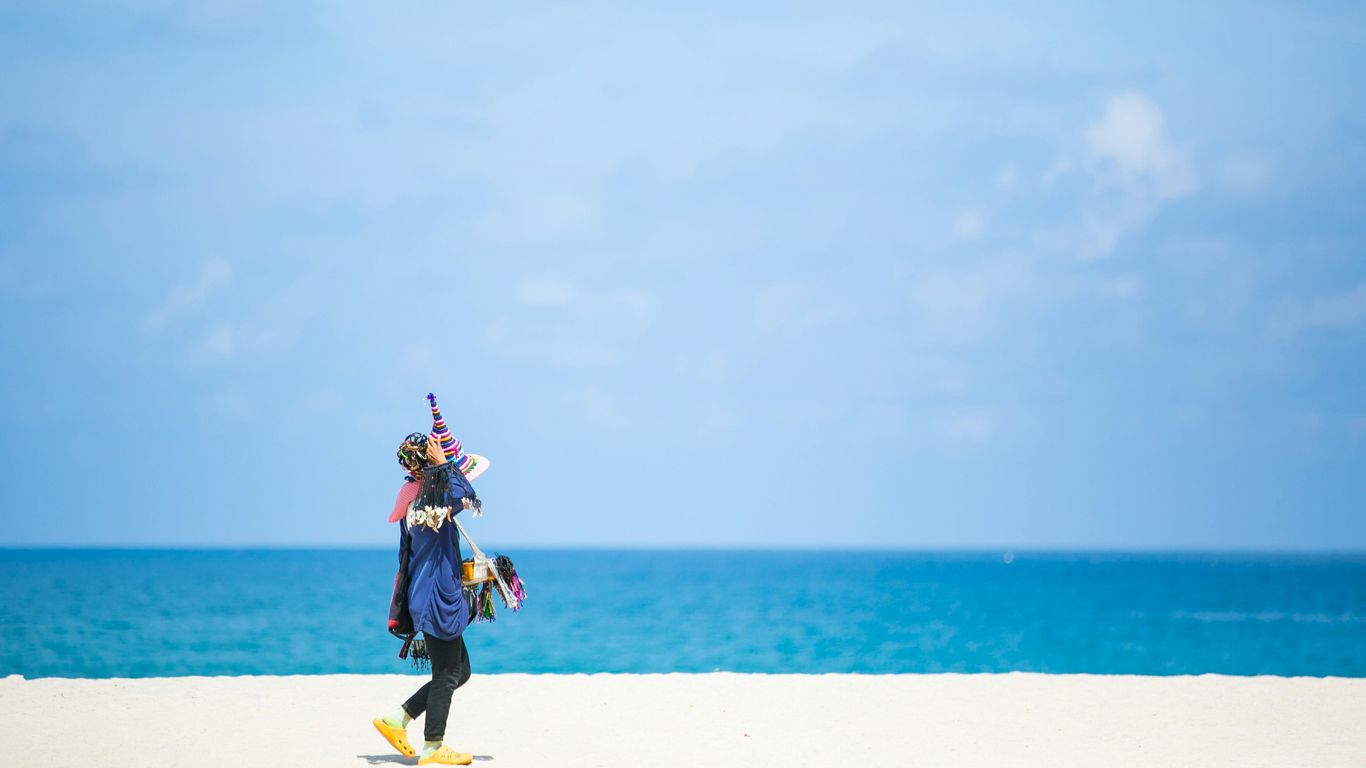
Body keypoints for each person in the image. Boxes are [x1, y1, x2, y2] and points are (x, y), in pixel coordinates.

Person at [372, 432, 477, 766]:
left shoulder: (415, 501)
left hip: (424, 596)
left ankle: (397, 719)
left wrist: (439, 467)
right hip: (437, 599)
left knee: (459, 671)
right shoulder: (436, 500)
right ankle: (433, 746)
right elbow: (467, 494)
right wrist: (444, 463)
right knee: (448, 673)